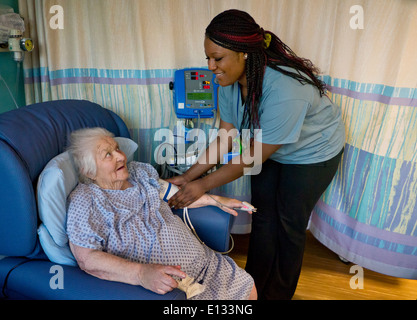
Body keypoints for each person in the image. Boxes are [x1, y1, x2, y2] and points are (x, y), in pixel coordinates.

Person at [167, 9, 345, 300]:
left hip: (313, 152)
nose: (211, 66)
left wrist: (201, 185)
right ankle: (252, 289)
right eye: (207, 59)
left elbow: (251, 158)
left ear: (244, 54)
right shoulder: (226, 80)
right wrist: (188, 176)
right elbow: (226, 136)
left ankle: (279, 294)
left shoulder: (287, 88)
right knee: (262, 215)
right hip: (269, 147)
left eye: (218, 58)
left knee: (289, 224)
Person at [65, 127, 257, 300]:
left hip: (208, 265)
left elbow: (176, 195)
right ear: (88, 171)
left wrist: (217, 201)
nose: (120, 156)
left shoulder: (138, 173)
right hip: (180, 289)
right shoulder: (86, 200)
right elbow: (87, 258)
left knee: (249, 290)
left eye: (117, 148)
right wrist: (141, 274)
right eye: (108, 154)